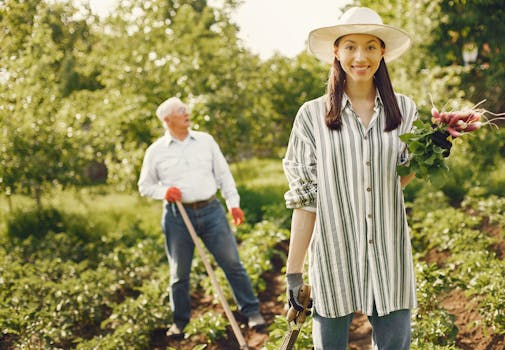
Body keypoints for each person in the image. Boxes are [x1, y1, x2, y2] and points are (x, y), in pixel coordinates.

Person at [282, 7, 451, 349]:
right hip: (333, 253)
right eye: (351, 47)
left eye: (371, 47)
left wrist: (429, 153)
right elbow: (305, 201)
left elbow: (397, 181)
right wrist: (294, 272)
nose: (361, 57)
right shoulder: (311, 116)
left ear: (382, 51)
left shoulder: (402, 110)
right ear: (336, 51)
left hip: (388, 252)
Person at [138, 96, 265, 339]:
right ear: (167, 119)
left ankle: (252, 313)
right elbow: (145, 186)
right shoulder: (155, 151)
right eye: (180, 111)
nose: (187, 113)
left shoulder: (205, 141)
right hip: (178, 216)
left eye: (185, 109)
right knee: (179, 274)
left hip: (211, 211)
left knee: (232, 264)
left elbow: (224, 175)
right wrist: (163, 191)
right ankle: (180, 323)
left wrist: (233, 204)